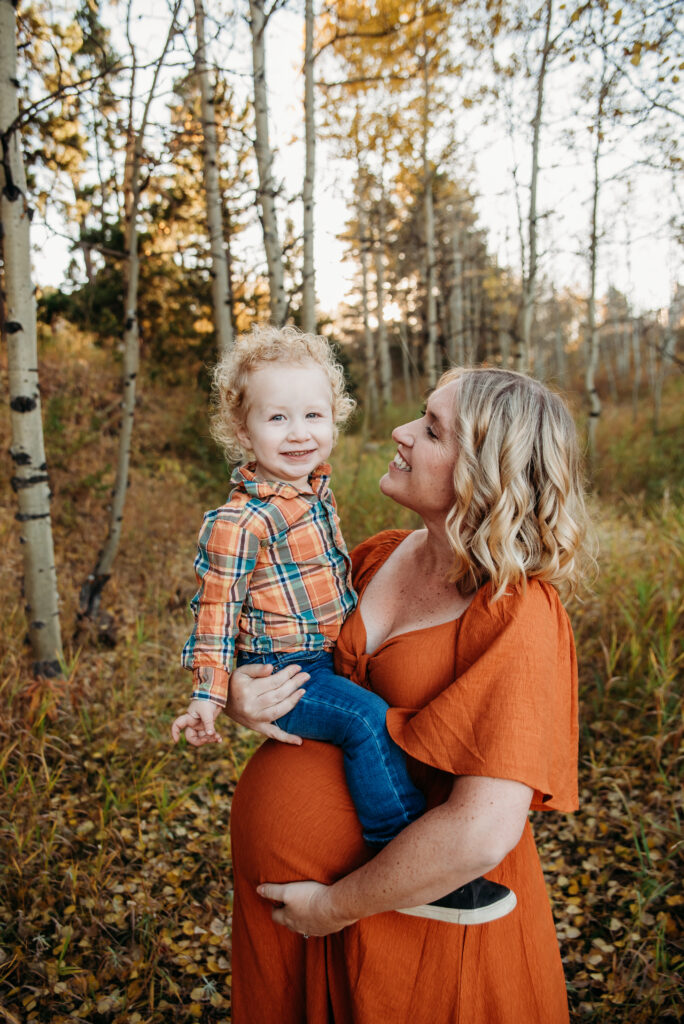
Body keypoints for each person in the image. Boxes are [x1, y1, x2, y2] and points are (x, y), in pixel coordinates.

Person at [186, 363, 592, 1024]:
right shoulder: (377, 555)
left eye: (431, 429)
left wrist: (334, 905)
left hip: (419, 924)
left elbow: (482, 832)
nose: (400, 432)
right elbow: (293, 653)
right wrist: (240, 690)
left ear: (482, 474)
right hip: (305, 919)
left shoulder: (518, 614)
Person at [172, 325, 515, 926]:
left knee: (363, 714)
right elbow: (216, 608)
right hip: (287, 666)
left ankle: (411, 857)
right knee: (363, 718)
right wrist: (217, 690)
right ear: (240, 429)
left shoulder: (316, 494)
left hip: (314, 664)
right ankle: (395, 842)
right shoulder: (241, 520)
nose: (299, 432)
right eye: (276, 419)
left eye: (313, 414)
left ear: (335, 416)